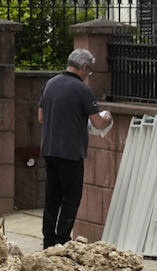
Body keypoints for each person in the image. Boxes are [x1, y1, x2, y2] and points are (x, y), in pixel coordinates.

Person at [38, 48, 112, 249]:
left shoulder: (49, 84)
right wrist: (107, 118)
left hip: (49, 150)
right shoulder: (82, 90)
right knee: (71, 197)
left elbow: (41, 117)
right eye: (90, 71)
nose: (89, 75)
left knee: (52, 196)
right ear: (85, 67)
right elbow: (97, 123)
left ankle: (48, 241)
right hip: (71, 153)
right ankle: (62, 239)